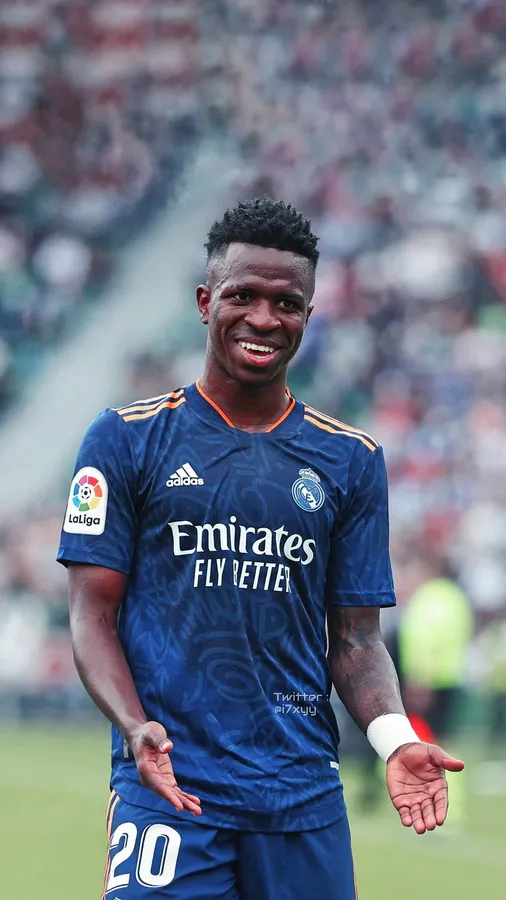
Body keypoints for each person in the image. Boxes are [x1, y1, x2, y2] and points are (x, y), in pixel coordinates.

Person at [57, 198, 464, 900]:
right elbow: (91, 614)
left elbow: (357, 638)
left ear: (309, 315)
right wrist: (134, 727)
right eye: (243, 295)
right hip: (171, 789)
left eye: (288, 303)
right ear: (205, 302)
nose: (265, 318)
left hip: (301, 797)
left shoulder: (351, 459)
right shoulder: (126, 439)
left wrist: (395, 738)